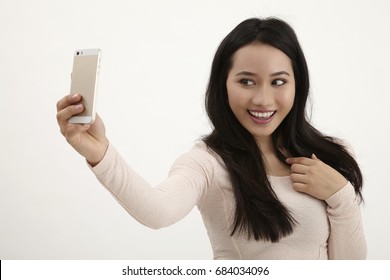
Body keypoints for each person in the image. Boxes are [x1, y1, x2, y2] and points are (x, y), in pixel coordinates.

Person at [56, 17, 367, 259]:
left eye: (278, 82)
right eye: (246, 81)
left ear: (298, 85)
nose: (263, 99)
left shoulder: (330, 155)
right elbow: (157, 210)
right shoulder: (207, 163)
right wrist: (101, 154)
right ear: (224, 84)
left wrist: (341, 195)